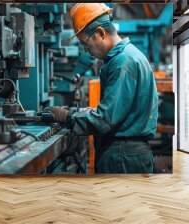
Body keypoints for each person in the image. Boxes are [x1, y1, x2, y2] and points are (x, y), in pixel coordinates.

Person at [48, 3, 158, 173]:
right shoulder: (130, 55)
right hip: (127, 154)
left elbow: (105, 119)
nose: (87, 50)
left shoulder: (122, 62)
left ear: (100, 33)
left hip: (122, 157)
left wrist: (67, 116)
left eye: (86, 44)